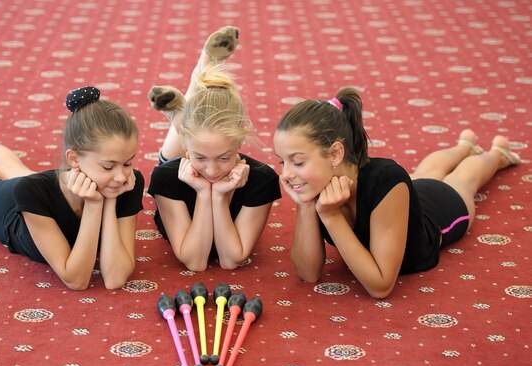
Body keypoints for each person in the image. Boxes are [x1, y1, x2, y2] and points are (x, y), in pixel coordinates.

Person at [273, 87, 522, 298]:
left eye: (298, 161)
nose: (286, 174)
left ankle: (497, 155)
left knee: (463, 179)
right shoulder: (315, 182)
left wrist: (330, 216)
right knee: (428, 170)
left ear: (336, 153)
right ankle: (463, 146)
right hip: (400, 198)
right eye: (282, 162)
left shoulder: (387, 179)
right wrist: (306, 206)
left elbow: (381, 286)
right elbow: (308, 274)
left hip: (437, 210)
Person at [0, 86, 144, 290]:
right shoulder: (32, 192)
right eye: (108, 166)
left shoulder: (125, 184)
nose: (120, 176)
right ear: (74, 159)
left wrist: (110, 200)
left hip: (56, 184)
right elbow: (77, 280)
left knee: (11, 166)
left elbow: (115, 278)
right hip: (7, 206)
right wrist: (95, 204)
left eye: (128, 163)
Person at [146, 26, 281, 272]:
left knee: (192, 133)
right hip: (179, 158)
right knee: (167, 161)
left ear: (240, 143)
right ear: (188, 149)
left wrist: (217, 195)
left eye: (224, 157)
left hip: (192, 138)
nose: (212, 170)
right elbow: (195, 262)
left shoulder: (262, 178)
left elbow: (231, 260)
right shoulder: (167, 178)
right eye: (200, 158)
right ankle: (198, 79)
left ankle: (180, 113)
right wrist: (202, 192)